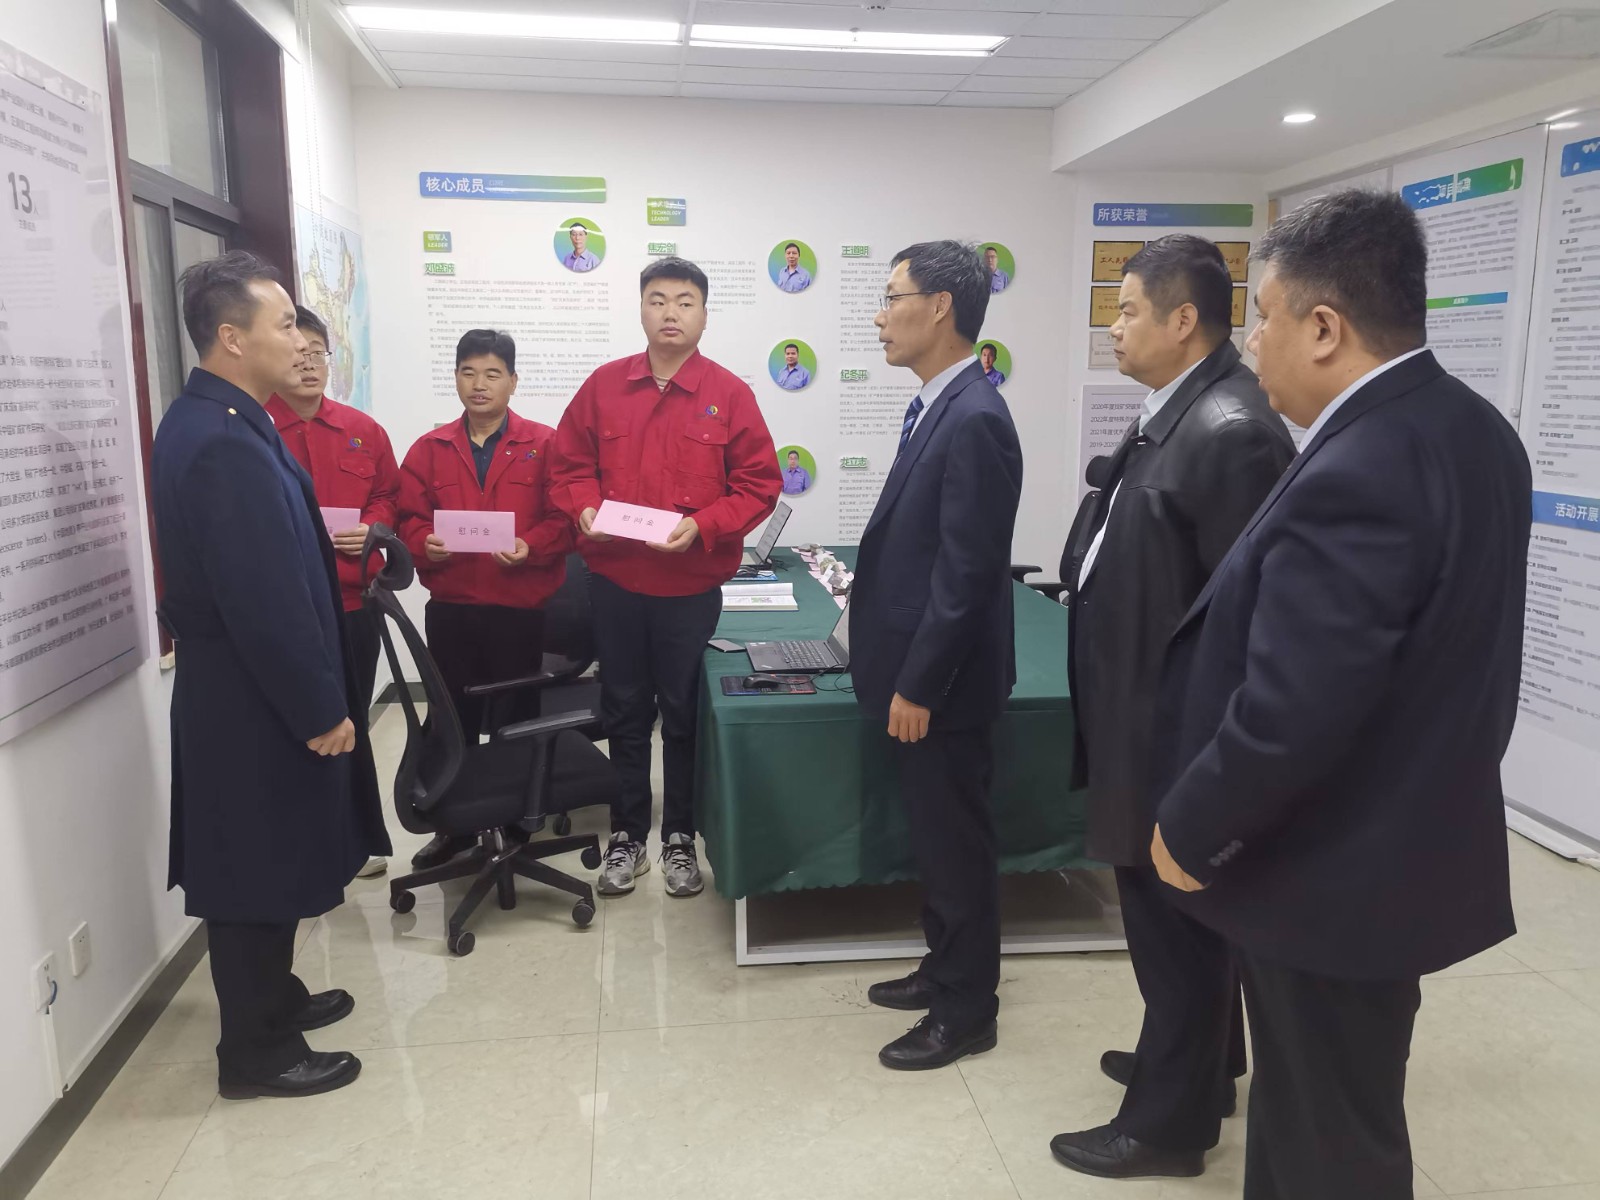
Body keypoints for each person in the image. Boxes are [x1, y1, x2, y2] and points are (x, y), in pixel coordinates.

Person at [1147, 190, 1530, 1199]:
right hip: (1397, 847)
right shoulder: (1470, 428)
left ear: (1323, 327)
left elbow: (1296, 708)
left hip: (1332, 867)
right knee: (1316, 1113)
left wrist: (1190, 828)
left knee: (1330, 1141)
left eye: (1264, 316)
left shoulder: (1364, 464)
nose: (1252, 342)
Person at [1049, 236, 1294, 1180]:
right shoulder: (1176, 410)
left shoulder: (1233, 432)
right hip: (1138, 711)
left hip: (1175, 733)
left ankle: (1168, 1126)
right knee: (1170, 926)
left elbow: (1245, 620)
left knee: (1175, 928)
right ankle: (1196, 1063)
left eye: (1127, 311)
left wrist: (1211, 766)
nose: (1113, 328)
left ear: (1183, 319)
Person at [151, 251, 389, 1099]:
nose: (300, 340)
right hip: (252, 700)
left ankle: (276, 1000)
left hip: (246, 690)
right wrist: (320, 707)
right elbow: (263, 598)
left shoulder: (225, 419)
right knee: (253, 869)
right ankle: (256, 1053)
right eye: (284, 323)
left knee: (271, 852)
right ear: (231, 336)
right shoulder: (222, 441)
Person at [550, 258, 782, 898]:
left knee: (682, 714)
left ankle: (680, 834)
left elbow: (759, 483)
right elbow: (568, 466)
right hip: (616, 583)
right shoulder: (603, 386)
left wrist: (705, 524)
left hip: (689, 588)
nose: (670, 313)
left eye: (684, 301)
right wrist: (583, 508)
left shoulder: (729, 393)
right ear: (641, 310)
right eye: (657, 300)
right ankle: (628, 833)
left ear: (704, 314)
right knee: (625, 710)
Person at [852, 240, 1022, 1071]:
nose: (880, 316)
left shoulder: (977, 417)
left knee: (957, 846)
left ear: (942, 306)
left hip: (945, 687)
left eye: (893, 298)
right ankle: (943, 964)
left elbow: (966, 576)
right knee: (935, 838)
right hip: (921, 672)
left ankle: (966, 1009)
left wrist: (919, 683)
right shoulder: (938, 405)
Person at [398, 329, 574, 870]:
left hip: (517, 609)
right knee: (451, 720)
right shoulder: (429, 449)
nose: (480, 384)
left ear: (513, 382)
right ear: (455, 377)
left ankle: (519, 819)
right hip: (452, 608)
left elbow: (565, 519)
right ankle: (455, 826)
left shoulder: (544, 445)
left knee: (514, 716)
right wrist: (421, 541)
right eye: (469, 372)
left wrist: (531, 545)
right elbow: (406, 517)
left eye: (493, 374)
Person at [266, 306, 401, 881]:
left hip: (352, 603)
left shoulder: (362, 430)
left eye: (316, 352)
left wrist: (372, 527)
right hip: (287, 611)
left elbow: (389, 496)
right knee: (296, 723)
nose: (307, 363)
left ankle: (354, 837)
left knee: (351, 719)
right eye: (296, 351)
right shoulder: (255, 432)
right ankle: (304, 840)